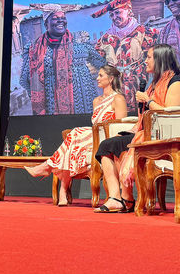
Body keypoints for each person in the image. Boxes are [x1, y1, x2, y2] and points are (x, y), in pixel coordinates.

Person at [93, 44, 180, 213]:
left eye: (149, 57)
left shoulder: (177, 82)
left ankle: (125, 199)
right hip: (148, 132)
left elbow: (170, 112)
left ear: (161, 59)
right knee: (108, 145)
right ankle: (117, 197)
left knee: (113, 145)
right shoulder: (154, 84)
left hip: (165, 136)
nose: (145, 61)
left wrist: (148, 100)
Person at [24, 65, 128, 206]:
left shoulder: (118, 99)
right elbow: (94, 124)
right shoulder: (96, 101)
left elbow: (121, 129)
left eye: (101, 75)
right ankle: (61, 189)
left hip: (108, 140)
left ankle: (49, 171)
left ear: (110, 79)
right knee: (72, 145)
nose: (97, 78)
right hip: (93, 138)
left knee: (75, 133)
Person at [20, 5, 105, 115]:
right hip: (54, 110)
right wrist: (41, 97)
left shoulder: (79, 40)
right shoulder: (34, 49)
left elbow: (101, 64)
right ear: (46, 24)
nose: (61, 20)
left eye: (63, 17)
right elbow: (25, 79)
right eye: (55, 18)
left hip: (86, 104)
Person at [92, 0, 158, 111]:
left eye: (117, 12)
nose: (114, 17)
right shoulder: (105, 39)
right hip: (115, 83)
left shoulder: (144, 32)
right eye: (111, 15)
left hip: (138, 80)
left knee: (140, 112)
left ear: (129, 11)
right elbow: (97, 61)